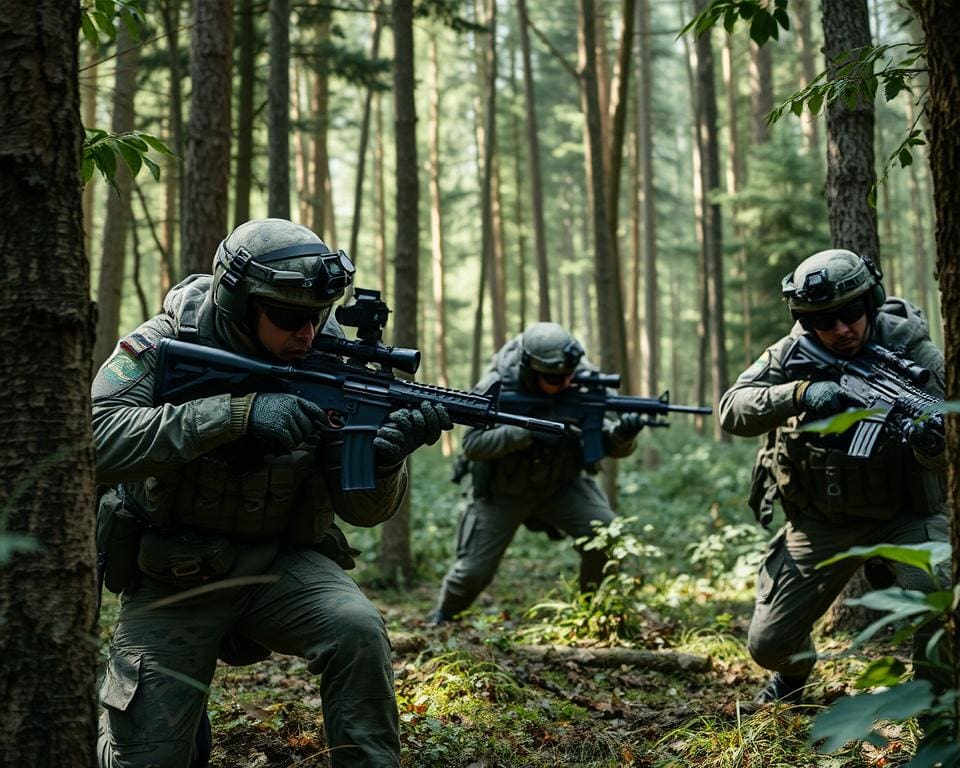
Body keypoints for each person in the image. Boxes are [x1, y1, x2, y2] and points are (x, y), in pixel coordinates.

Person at [93, 218, 452, 768]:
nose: (307, 333)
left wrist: (383, 458)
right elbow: (94, 439)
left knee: (357, 630)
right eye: (288, 317)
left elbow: (362, 511)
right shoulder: (169, 342)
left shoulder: (330, 364)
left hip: (281, 565)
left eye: (318, 315)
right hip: (173, 571)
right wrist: (235, 414)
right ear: (240, 302)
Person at [718, 248, 948, 707]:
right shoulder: (792, 354)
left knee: (940, 596)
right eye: (825, 321)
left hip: (904, 514)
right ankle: (795, 675)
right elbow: (732, 409)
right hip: (821, 520)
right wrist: (799, 393)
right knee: (769, 645)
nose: (842, 330)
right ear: (806, 322)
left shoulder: (915, 352)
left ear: (871, 302)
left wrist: (931, 446)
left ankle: (935, 708)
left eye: (851, 314)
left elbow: (949, 441)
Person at [428, 322, 645, 623]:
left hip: (562, 486)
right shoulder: (497, 383)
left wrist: (623, 436)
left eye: (569, 375)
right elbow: (472, 445)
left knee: (605, 536)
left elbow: (609, 444)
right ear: (531, 370)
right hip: (503, 490)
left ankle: (593, 613)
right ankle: (443, 617)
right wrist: (526, 432)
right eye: (555, 379)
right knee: (472, 572)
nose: (566, 382)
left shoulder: (585, 382)